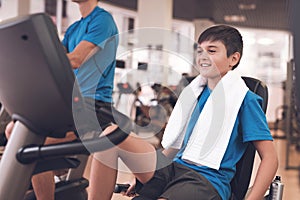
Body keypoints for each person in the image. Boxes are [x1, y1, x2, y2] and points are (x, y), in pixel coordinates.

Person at [88, 25, 278, 200]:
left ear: (233, 59)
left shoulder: (245, 99)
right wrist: (139, 174)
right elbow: (177, 144)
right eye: (199, 51)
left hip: (206, 180)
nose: (203, 57)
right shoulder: (195, 92)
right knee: (110, 135)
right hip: (173, 168)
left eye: (211, 51)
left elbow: (270, 158)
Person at [5, 0, 118, 200]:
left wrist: (35, 60)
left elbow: (74, 59)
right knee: (14, 130)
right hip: (70, 105)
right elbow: (52, 62)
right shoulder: (75, 27)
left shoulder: (103, 20)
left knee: (28, 140)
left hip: (93, 107)